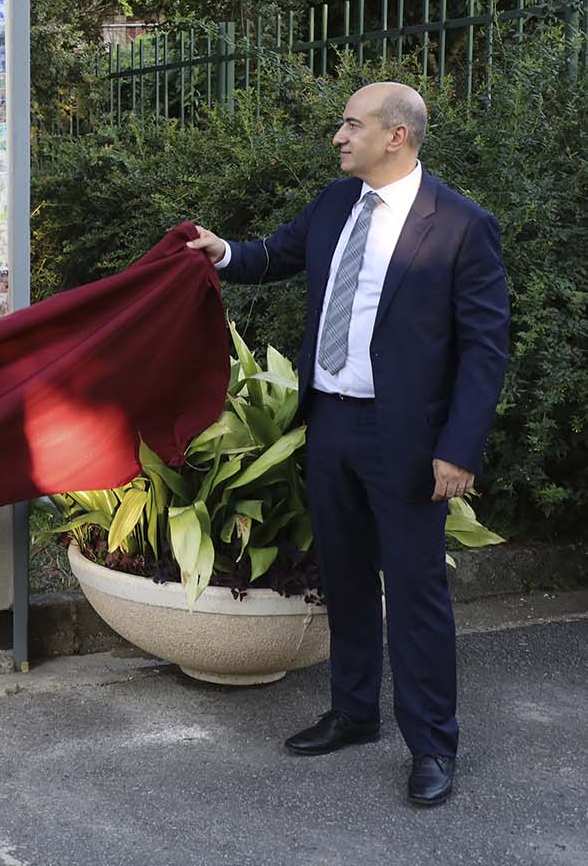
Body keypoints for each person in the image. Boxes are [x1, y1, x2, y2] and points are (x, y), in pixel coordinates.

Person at [187, 81, 508, 808]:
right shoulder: (336, 205)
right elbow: (273, 255)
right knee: (345, 577)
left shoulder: (459, 225)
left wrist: (458, 450)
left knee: (417, 592)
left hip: (406, 438)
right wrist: (222, 252)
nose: (337, 135)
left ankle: (431, 745)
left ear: (396, 135)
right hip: (329, 423)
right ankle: (353, 713)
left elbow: (485, 349)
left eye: (350, 124)